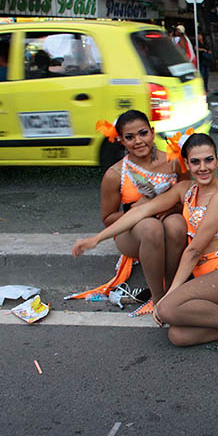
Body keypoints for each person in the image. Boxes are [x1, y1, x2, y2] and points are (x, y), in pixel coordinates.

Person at [73, 133, 218, 346]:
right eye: (195, 162)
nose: (203, 167)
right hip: (205, 279)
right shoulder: (186, 189)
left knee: (167, 308)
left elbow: (193, 251)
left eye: (208, 160)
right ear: (187, 164)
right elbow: (141, 211)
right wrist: (97, 239)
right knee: (178, 336)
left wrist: (169, 296)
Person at [74, 110, 189, 314]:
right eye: (130, 137)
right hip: (132, 233)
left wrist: (169, 205)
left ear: (152, 132)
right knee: (151, 227)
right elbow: (108, 218)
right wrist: (138, 210)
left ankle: (172, 291)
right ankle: (158, 300)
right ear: (120, 140)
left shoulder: (174, 162)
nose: (138, 141)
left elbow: (188, 198)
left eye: (143, 133)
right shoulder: (115, 174)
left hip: (170, 225)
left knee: (176, 224)